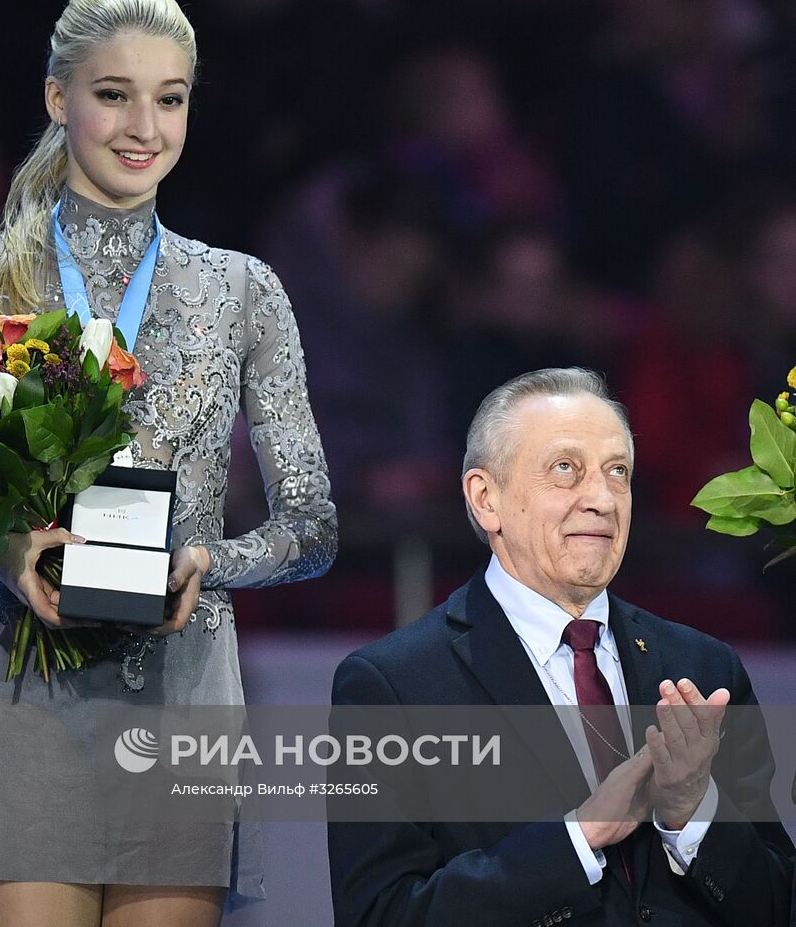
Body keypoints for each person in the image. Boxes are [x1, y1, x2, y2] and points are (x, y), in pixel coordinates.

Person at [0, 0, 337, 926]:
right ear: (59, 100)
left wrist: (206, 563)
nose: (144, 126)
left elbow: (311, 527)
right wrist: (7, 552)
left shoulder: (243, 290)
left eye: (169, 99)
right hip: (28, 687)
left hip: (186, 692)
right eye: (113, 94)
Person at [327, 368, 794, 926]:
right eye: (565, 470)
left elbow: (775, 905)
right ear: (486, 498)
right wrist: (579, 836)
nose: (600, 498)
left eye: (617, 472)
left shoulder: (705, 669)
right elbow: (381, 916)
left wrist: (693, 811)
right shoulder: (393, 685)